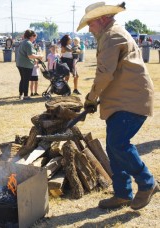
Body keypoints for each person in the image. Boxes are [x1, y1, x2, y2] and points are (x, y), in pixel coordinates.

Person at [77, 2, 158, 210]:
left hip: (130, 100)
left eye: (90, 23)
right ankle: (122, 194)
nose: (89, 28)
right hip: (122, 100)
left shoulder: (112, 36)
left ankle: (147, 182)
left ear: (102, 19)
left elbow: (104, 73)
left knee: (119, 144)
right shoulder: (109, 34)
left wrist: (91, 98)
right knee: (114, 148)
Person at [16, 29, 43, 100]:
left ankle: (21, 94)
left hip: (20, 63)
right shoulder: (28, 43)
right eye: (34, 37)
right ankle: (25, 95)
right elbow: (30, 55)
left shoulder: (23, 42)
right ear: (31, 36)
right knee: (26, 80)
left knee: (23, 79)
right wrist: (39, 57)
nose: (34, 39)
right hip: (26, 65)